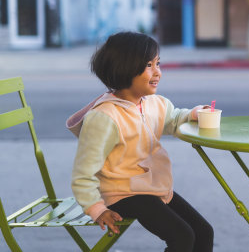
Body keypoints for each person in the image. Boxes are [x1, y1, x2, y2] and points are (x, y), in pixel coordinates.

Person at [70, 32, 214, 252]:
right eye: (149, 65)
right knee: (182, 237)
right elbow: (83, 173)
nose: (158, 72)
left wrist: (192, 114)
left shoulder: (153, 103)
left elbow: (173, 119)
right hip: (121, 192)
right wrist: (97, 209)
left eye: (158, 63)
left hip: (149, 186)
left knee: (204, 232)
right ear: (126, 67)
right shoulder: (105, 117)